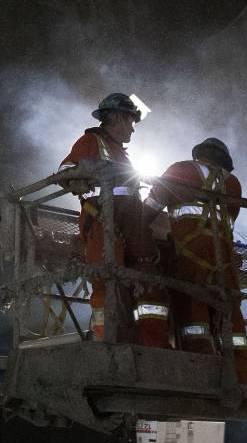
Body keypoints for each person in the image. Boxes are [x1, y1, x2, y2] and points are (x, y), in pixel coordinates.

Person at [58, 93, 170, 348]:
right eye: (131, 121)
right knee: (108, 280)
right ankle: (108, 344)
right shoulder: (91, 141)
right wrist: (85, 175)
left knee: (147, 277)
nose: (133, 128)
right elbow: (65, 172)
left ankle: (151, 344)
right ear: (118, 117)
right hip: (102, 219)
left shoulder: (121, 152)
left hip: (131, 220)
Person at [143, 138, 247, 382]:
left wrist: (133, 229)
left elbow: (150, 208)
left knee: (194, 308)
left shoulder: (181, 169)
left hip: (191, 253)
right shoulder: (234, 184)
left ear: (198, 155)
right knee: (230, 313)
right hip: (224, 259)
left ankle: (199, 372)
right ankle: (240, 376)